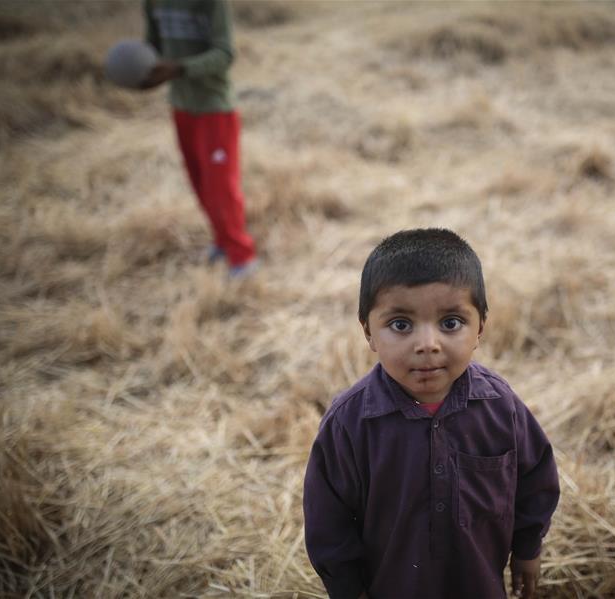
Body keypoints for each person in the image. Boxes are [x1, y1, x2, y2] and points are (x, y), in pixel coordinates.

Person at [303, 228, 560, 599]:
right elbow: (328, 521)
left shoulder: (500, 407)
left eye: (451, 322)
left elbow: (536, 479)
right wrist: (347, 589)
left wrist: (527, 549)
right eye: (401, 325)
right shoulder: (350, 424)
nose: (427, 345)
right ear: (368, 332)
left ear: (480, 329)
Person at [140, 0, 257, 277]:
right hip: (181, 105)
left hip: (215, 108)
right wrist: (139, 69)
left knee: (220, 187)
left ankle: (243, 256)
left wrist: (180, 68)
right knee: (200, 181)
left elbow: (225, 53)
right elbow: (151, 47)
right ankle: (222, 240)